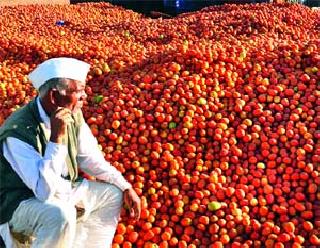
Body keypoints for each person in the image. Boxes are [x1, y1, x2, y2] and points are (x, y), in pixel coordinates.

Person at [0, 57, 141, 248]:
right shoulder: (18, 131)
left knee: (113, 195)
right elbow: (44, 191)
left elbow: (91, 159)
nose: (85, 95)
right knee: (59, 215)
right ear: (53, 96)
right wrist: (57, 138)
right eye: (78, 91)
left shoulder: (73, 114)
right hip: (20, 202)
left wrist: (124, 186)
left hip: (62, 189)